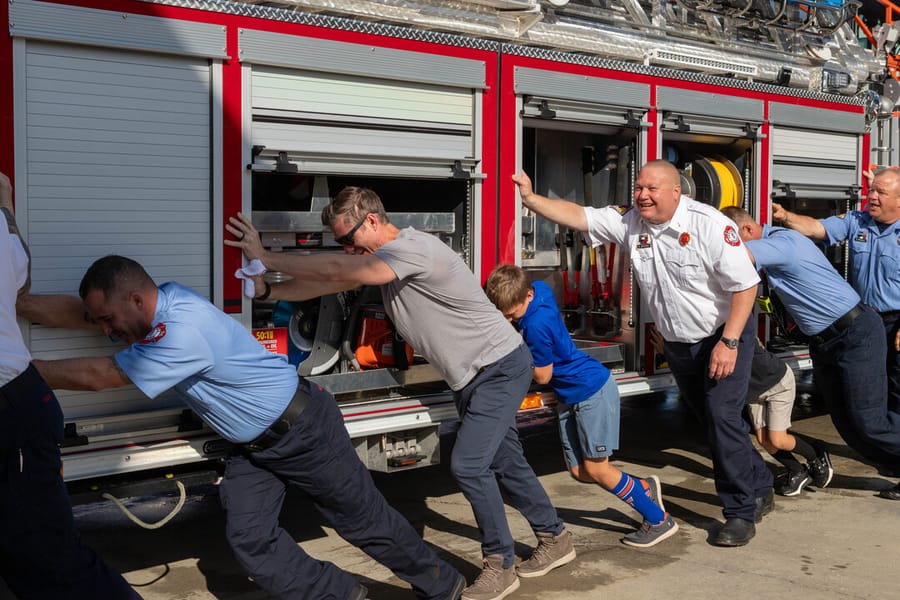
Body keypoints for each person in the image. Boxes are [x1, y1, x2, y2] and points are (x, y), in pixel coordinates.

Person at [15, 255, 465, 600]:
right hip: (253, 447)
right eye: (101, 323)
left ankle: (442, 585)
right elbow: (82, 313)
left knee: (363, 522)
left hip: (304, 430)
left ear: (135, 299)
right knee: (251, 539)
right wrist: (20, 305)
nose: (107, 331)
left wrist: (15, 369)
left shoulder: (179, 331)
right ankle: (338, 593)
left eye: (109, 320)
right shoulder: (160, 301)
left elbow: (101, 377)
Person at [226, 187, 573, 600]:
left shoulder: (413, 249)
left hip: (499, 366)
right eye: (341, 243)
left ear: (370, 221)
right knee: (505, 460)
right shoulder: (385, 262)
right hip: (472, 377)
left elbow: (339, 270)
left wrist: (269, 256)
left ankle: (500, 563)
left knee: (469, 465)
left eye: (348, 239)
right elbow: (325, 284)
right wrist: (269, 292)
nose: (347, 249)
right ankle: (555, 537)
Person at [513, 160, 774, 548]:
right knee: (713, 420)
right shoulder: (631, 221)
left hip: (722, 334)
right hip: (680, 342)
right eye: (638, 188)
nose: (642, 196)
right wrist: (531, 199)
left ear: (676, 192)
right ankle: (760, 482)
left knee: (721, 418)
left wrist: (730, 341)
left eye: (651, 189)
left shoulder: (709, 225)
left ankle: (739, 511)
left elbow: (745, 286)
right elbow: (580, 217)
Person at [0, 176, 141, 599]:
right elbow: (19, 276)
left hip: (12, 407)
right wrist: (6, 206)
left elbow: (102, 375)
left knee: (48, 557)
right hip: (19, 400)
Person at [484, 264, 678, 547]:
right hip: (571, 394)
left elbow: (542, 375)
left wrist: (515, 348)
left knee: (598, 469)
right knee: (579, 472)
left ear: (526, 296)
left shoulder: (535, 326)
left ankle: (659, 519)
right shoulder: (539, 291)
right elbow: (541, 288)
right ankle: (642, 488)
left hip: (591, 390)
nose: (509, 319)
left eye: (511, 315)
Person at [722, 206, 900, 494]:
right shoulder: (772, 244)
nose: (726, 245)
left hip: (854, 333)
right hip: (825, 340)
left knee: (870, 421)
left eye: (728, 239)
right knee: (846, 423)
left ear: (745, 231)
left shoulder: (781, 243)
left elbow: (734, 259)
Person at [772, 167, 900, 500]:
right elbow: (817, 228)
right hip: (865, 321)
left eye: (881, 192)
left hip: (897, 324)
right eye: (872, 190)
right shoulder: (858, 221)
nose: (871, 196)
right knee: (859, 411)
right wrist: (784, 216)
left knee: (893, 404)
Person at [649, 326, 831, 496]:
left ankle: (816, 453)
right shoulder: (712, 343)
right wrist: (671, 352)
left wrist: (671, 352)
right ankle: (797, 470)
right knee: (765, 441)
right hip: (755, 395)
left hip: (777, 385)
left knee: (778, 439)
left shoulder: (734, 339)